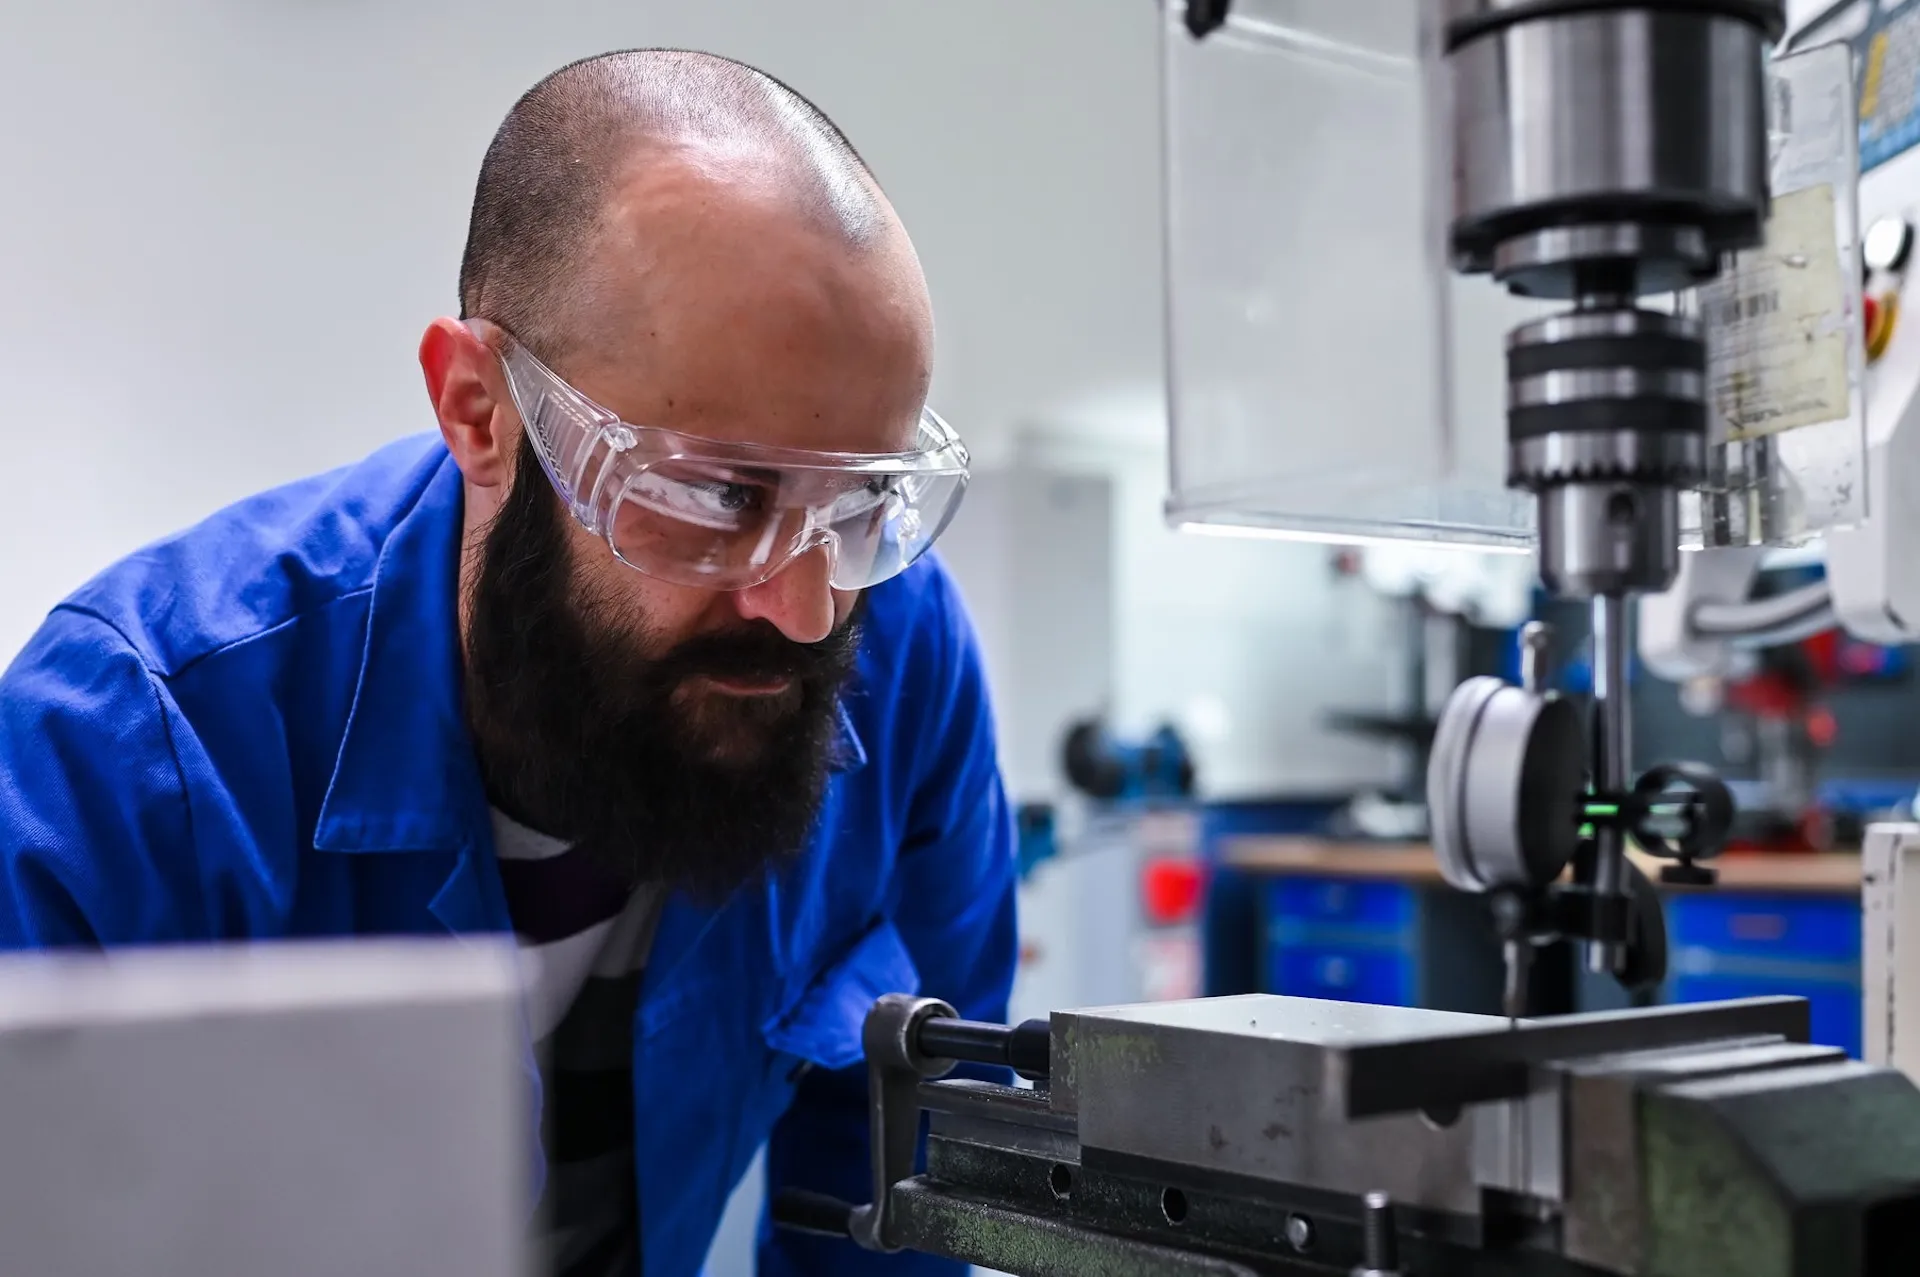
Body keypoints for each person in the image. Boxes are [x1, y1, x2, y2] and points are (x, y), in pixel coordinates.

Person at [0, 49, 1015, 1277]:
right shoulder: (126, 760)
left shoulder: (899, 659)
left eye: (861, 501)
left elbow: (905, 1200)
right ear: (480, 412)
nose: (803, 608)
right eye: (713, 492)